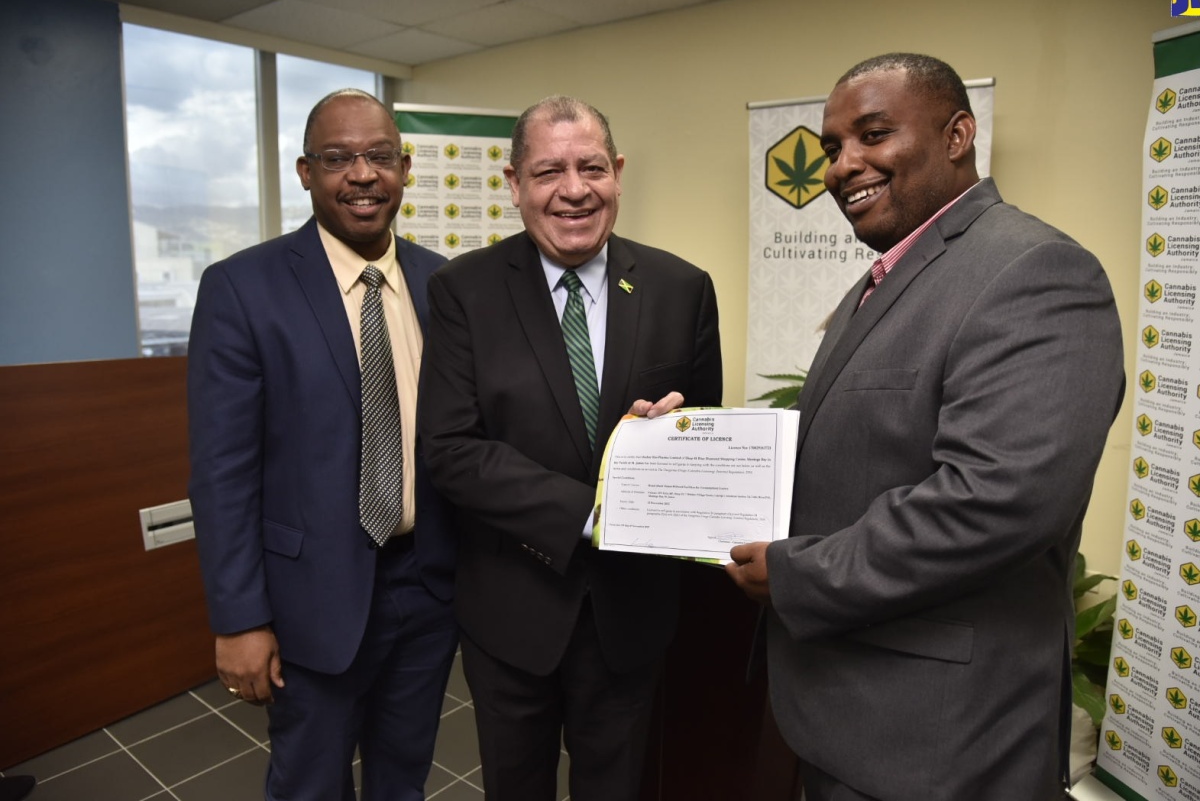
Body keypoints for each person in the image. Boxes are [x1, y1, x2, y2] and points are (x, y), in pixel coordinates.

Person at [726, 53, 1125, 801]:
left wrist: (798, 574)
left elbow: (995, 498)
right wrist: (684, 449)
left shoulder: (1036, 272)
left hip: (938, 743)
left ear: (958, 134)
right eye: (832, 148)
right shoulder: (882, 279)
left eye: (873, 134)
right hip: (849, 711)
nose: (845, 165)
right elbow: (856, 448)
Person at [417, 96, 722, 801]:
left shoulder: (682, 288)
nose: (574, 189)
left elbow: (702, 435)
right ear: (515, 183)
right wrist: (597, 511)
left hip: (630, 611)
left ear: (617, 172)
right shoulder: (463, 291)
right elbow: (453, 449)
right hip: (512, 610)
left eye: (591, 167)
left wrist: (672, 440)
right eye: (549, 171)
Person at [187, 88, 456, 801]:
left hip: (427, 588)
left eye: (378, 156)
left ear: (406, 167)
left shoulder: (447, 283)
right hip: (311, 598)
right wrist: (239, 617)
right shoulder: (242, 288)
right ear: (306, 172)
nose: (361, 175)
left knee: (404, 777)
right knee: (310, 783)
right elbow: (223, 471)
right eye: (338, 159)